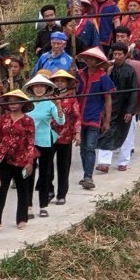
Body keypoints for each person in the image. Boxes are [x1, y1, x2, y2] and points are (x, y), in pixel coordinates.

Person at [0, 89, 37, 229]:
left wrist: (29, 161)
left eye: (16, 101)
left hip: (21, 159)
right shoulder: (4, 118)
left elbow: (30, 141)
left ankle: (22, 218)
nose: (13, 104)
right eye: (10, 102)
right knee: (1, 188)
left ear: (22, 103)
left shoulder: (28, 121)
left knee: (23, 189)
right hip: (4, 158)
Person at [23, 74, 65, 217]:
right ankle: (28, 206)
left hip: (45, 142)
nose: (39, 89)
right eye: (36, 86)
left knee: (45, 174)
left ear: (46, 88)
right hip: (29, 143)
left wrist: (59, 107)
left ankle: (43, 206)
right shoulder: (27, 103)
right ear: (32, 88)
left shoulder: (50, 103)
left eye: (42, 86)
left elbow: (60, 122)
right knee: (27, 174)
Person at [74, 47, 115, 190]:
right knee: (83, 148)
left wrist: (107, 120)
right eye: (88, 58)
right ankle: (86, 175)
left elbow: (108, 99)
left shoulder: (103, 77)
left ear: (98, 61)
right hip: (79, 116)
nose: (90, 61)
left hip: (94, 116)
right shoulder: (78, 75)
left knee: (90, 147)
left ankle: (88, 176)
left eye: (93, 59)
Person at [95, 43, 138, 173]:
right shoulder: (108, 69)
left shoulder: (130, 71)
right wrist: (107, 72)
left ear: (126, 55)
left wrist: (130, 110)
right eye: (115, 54)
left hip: (124, 107)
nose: (117, 57)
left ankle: (123, 162)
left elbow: (134, 91)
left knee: (125, 134)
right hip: (110, 106)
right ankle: (104, 163)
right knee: (105, 132)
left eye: (120, 54)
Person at [48, 69, 81, 204]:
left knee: (63, 167)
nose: (60, 83)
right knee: (47, 166)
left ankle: (61, 194)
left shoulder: (72, 99)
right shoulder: (47, 98)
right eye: (57, 81)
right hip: (48, 137)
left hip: (65, 137)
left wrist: (77, 133)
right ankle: (48, 191)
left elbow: (77, 117)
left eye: (62, 81)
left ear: (67, 83)